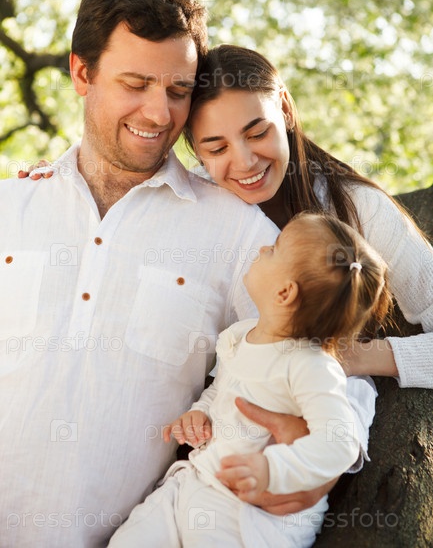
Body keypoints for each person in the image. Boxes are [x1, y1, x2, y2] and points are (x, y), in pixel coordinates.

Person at [0, 0, 285, 547]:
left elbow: (297, 359)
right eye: (136, 84)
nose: (159, 114)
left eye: (179, 90)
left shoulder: (236, 232)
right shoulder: (10, 205)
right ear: (82, 74)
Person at [108, 212, 392, 548]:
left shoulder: (311, 366)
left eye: (273, 249)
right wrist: (200, 413)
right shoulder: (243, 335)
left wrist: (272, 468)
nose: (261, 250)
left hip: (249, 514)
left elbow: (339, 442)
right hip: (197, 479)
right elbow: (223, 391)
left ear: (284, 293)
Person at [182, 44, 433, 389]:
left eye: (257, 134)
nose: (245, 162)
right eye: (217, 148)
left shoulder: (360, 208)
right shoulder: (189, 214)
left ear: (285, 109)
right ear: (196, 150)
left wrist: (357, 357)